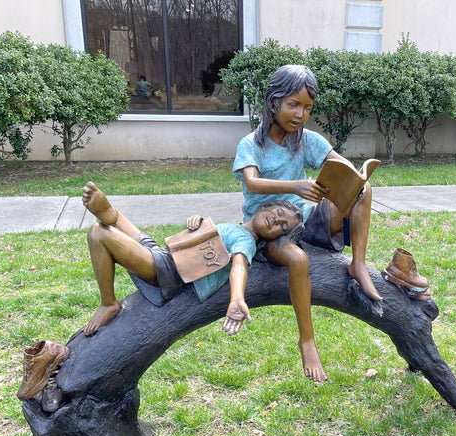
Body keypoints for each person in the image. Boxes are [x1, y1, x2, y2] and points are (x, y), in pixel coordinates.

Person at [233, 64, 382, 383]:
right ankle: (307, 341)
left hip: (307, 222)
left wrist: (352, 177)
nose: (300, 114)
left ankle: (358, 264)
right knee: (297, 260)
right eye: (293, 104)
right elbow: (253, 183)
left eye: (307, 107)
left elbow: (337, 163)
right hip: (270, 230)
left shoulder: (307, 140)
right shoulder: (251, 145)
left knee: (363, 189)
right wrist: (295, 185)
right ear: (272, 102)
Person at [80, 181, 302, 337]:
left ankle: (109, 302)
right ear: (266, 207)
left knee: (98, 232)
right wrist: (198, 221)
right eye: (279, 214)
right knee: (119, 226)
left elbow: (239, 266)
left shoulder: (246, 242)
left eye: (283, 228)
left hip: (169, 272)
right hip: (165, 254)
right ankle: (113, 216)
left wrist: (237, 298)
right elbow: (207, 240)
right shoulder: (235, 228)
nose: (276, 222)